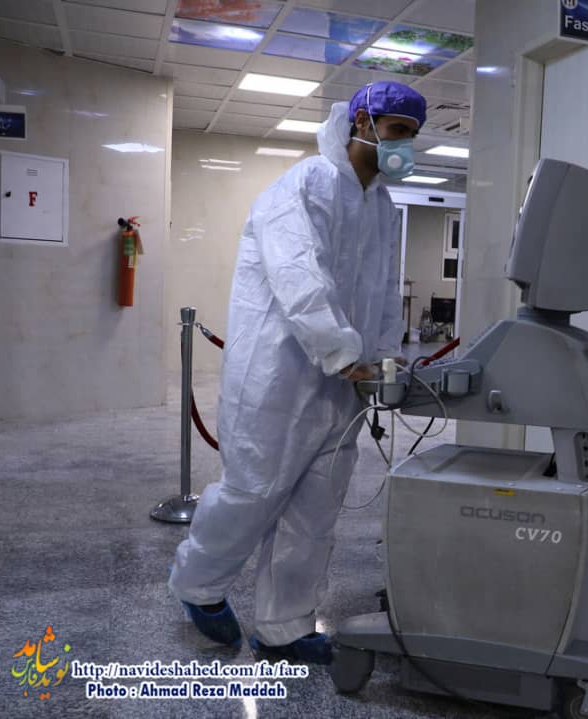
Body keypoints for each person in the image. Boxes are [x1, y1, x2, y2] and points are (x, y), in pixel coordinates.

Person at [168, 81, 426, 664]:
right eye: (397, 131)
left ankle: (283, 626)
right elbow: (296, 276)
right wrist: (341, 351)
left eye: (412, 136)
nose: (404, 145)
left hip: (344, 385)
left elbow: (384, 292)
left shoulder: (383, 206)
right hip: (278, 372)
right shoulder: (306, 184)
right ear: (362, 122)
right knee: (252, 491)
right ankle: (197, 583)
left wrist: (384, 356)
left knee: (315, 509)